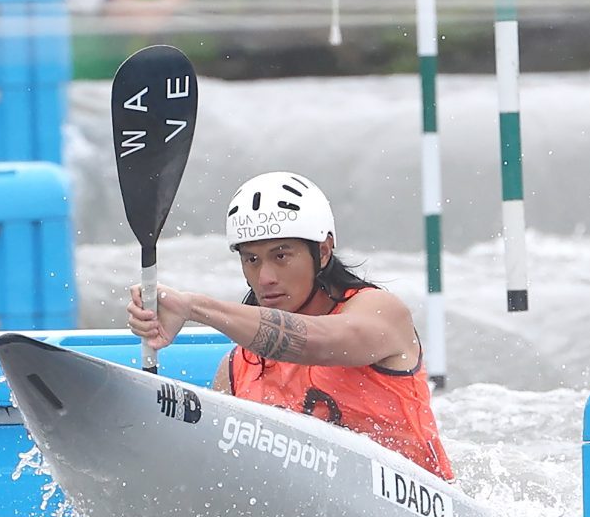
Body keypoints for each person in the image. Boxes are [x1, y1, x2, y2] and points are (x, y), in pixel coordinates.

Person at [126, 171, 454, 481]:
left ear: (323, 252)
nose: (265, 278)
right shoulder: (237, 370)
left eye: (281, 256)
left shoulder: (381, 311)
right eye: (251, 260)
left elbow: (318, 343)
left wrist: (194, 307)